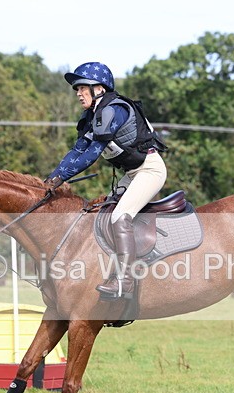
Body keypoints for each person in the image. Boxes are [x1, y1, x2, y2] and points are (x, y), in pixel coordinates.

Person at [46, 62, 167, 301]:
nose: (78, 93)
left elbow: (91, 154)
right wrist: (50, 179)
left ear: (99, 89)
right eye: (76, 89)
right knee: (102, 214)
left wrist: (61, 178)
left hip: (149, 170)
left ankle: (125, 280)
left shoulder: (114, 110)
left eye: (82, 87)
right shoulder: (92, 116)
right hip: (132, 174)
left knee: (119, 216)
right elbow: (77, 151)